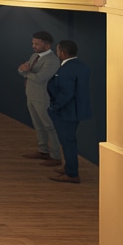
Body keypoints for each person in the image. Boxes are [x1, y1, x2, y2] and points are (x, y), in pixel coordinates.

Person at [47, 40, 92, 184]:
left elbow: (66, 93)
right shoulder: (82, 66)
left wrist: (55, 106)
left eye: (57, 51)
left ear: (63, 53)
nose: (57, 53)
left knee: (68, 143)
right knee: (70, 141)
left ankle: (72, 174)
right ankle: (69, 167)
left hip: (66, 112)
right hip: (76, 111)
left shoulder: (67, 69)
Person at [18, 30, 62, 165]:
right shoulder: (34, 56)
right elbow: (21, 69)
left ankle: (55, 156)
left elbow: (40, 78)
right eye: (33, 43)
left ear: (47, 45)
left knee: (49, 126)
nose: (34, 46)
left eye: (37, 44)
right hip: (31, 95)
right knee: (37, 125)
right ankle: (43, 150)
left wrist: (25, 72)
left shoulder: (52, 60)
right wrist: (24, 71)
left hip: (43, 97)